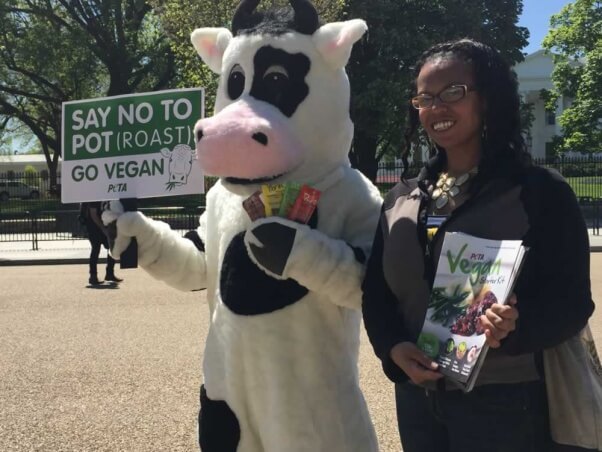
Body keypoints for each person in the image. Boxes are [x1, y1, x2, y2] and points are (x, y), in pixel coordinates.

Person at [362, 38, 595, 452]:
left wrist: (516, 327)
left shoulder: (539, 192)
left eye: (454, 92)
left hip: (507, 402)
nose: (436, 108)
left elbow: (573, 303)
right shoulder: (401, 198)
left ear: (487, 98)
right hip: (418, 399)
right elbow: (376, 293)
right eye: (425, 97)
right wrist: (393, 349)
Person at [82, 201, 122, 286]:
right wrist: (103, 228)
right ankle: (93, 276)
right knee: (96, 250)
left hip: (104, 225)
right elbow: (93, 214)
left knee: (111, 248)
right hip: (93, 228)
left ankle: (109, 273)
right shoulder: (95, 197)